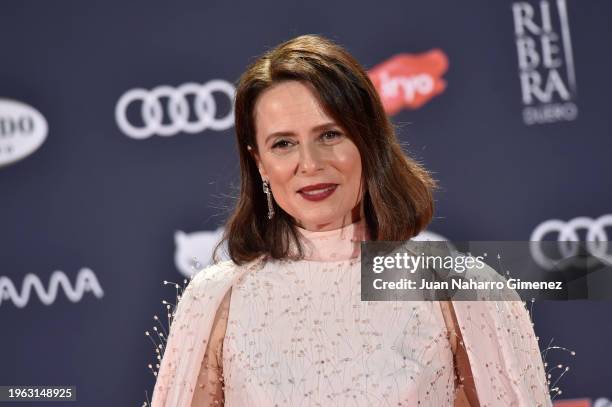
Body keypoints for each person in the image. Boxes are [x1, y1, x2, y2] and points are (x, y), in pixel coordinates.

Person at [151, 34, 551, 406]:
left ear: (369, 140)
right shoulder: (217, 299)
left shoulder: (455, 288)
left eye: (330, 135)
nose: (310, 164)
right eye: (284, 144)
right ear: (260, 163)